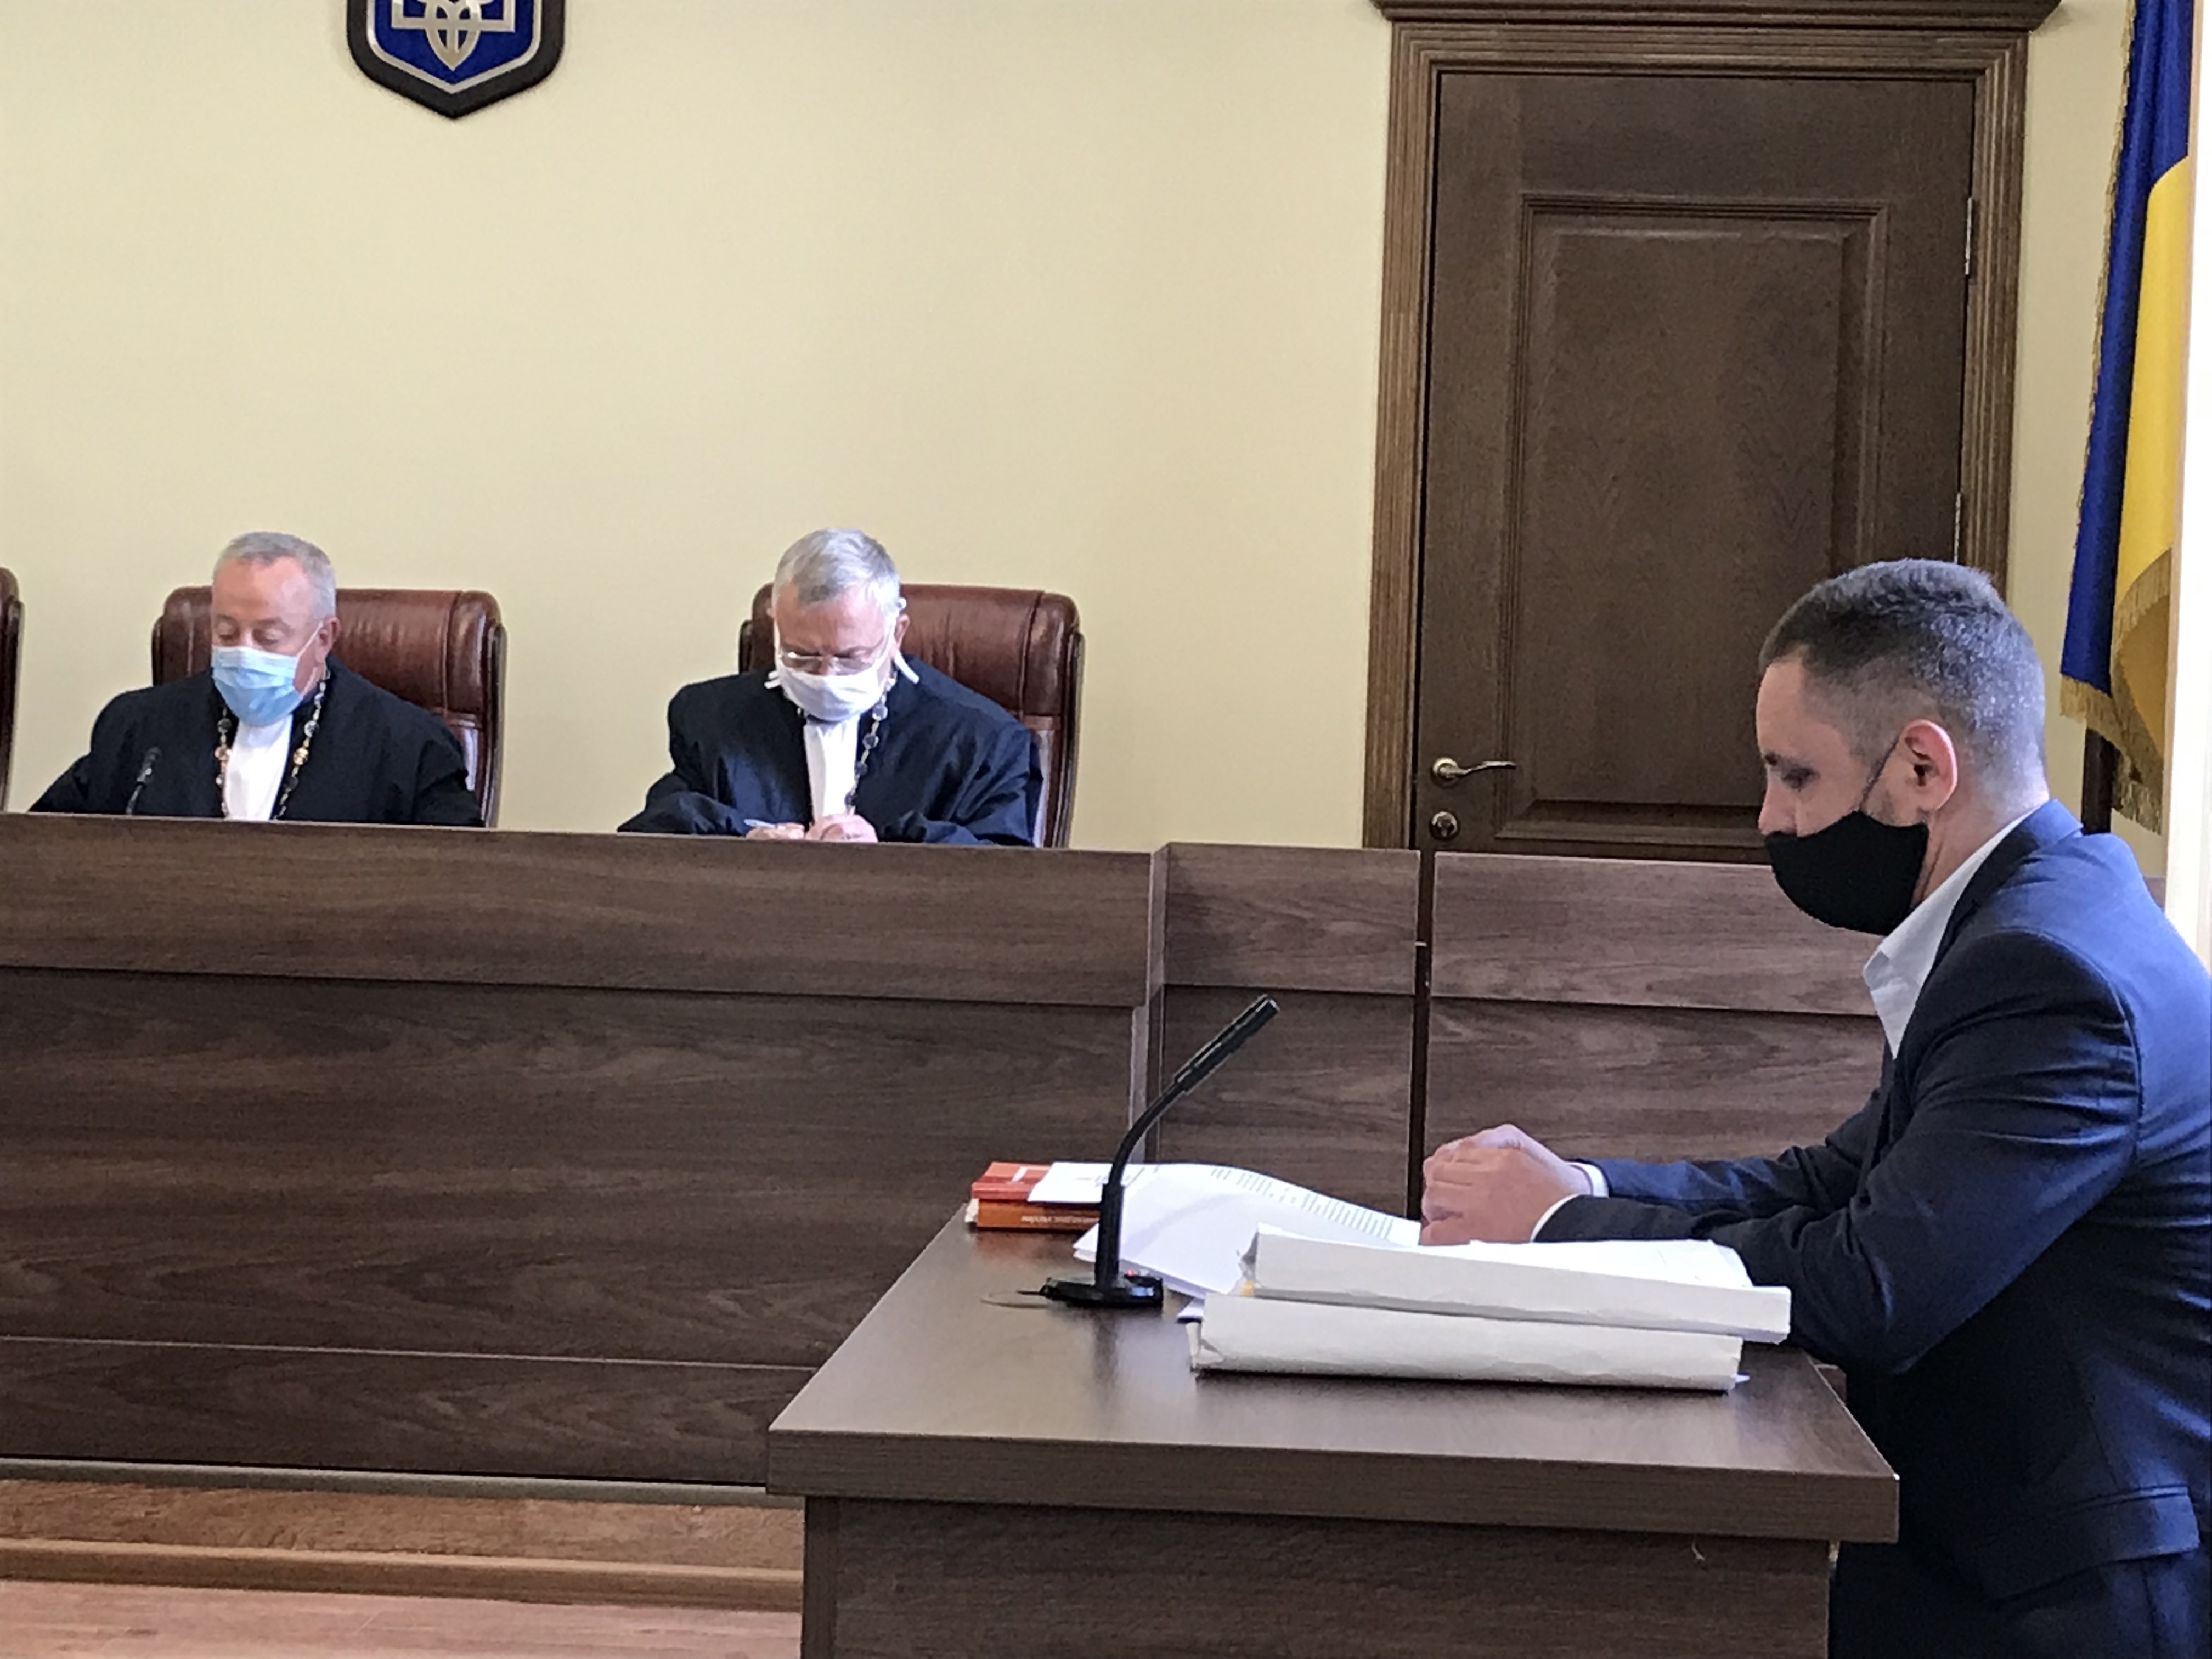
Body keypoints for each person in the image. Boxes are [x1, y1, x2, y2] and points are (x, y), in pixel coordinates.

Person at [1419, 561, 2210, 1658]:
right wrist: (1579, 1185)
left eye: (1795, 776)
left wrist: (1559, 1226)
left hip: (2057, 1595)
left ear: (1922, 766)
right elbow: (1834, 1181)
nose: (1771, 818)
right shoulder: (2034, 917)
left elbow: (1874, 1285)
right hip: (1997, 1550)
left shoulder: (2045, 973)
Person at [619, 528, 1039, 844]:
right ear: (776, 628)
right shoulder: (710, 718)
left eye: (850, 657)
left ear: (896, 633)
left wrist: (889, 854)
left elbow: (1002, 881)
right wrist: (743, 842)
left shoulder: (984, 742)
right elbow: (650, 843)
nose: (826, 675)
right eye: (801, 654)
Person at [32, 532, 481, 826]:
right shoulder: (136, 727)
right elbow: (41, 852)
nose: (244, 652)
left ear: (324, 638)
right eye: (226, 632)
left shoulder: (410, 747)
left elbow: (456, 888)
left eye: (269, 637)